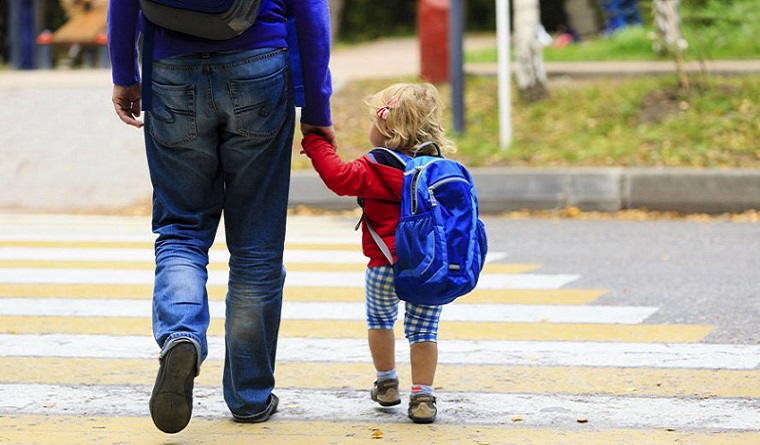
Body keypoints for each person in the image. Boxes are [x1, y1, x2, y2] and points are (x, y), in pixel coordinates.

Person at [107, 0, 334, 434]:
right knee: (257, 245)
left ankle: (181, 335)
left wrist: (125, 74)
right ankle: (249, 397)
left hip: (170, 67)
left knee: (181, 229)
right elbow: (310, 12)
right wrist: (317, 109)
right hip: (260, 65)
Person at [300, 83, 454, 424]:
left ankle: (386, 382)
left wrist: (315, 143)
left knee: (380, 322)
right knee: (425, 332)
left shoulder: (377, 167)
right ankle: (423, 395)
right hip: (429, 270)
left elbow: (339, 177)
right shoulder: (437, 170)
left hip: (384, 267)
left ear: (386, 129)